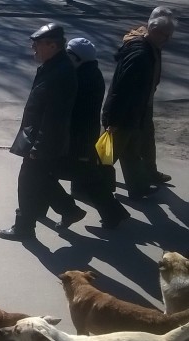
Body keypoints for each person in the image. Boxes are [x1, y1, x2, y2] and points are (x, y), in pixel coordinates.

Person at [0, 23, 85, 241]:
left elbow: (55, 116)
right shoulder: (54, 66)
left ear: (53, 45)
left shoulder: (60, 73)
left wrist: (38, 146)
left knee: (28, 183)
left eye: (37, 45)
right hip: (41, 138)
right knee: (40, 180)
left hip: (44, 140)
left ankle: (24, 228)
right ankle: (69, 210)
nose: (33, 49)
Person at [101, 7, 176, 200]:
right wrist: (112, 119)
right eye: (165, 36)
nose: (167, 40)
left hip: (135, 112)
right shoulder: (141, 55)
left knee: (132, 151)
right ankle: (89, 187)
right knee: (106, 155)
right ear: (153, 31)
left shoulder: (150, 49)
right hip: (124, 115)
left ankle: (138, 187)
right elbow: (122, 89)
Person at [65, 38, 130, 229]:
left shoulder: (82, 78)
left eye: (69, 54)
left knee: (88, 179)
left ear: (77, 58)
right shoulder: (90, 73)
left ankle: (114, 213)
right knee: (87, 178)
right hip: (83, 137)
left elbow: (75, 110)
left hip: (80, 138)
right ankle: (114, 213)